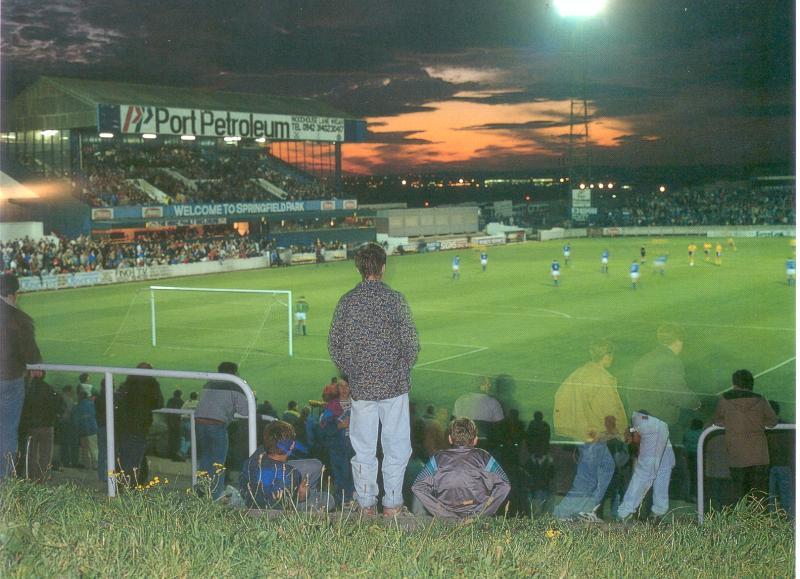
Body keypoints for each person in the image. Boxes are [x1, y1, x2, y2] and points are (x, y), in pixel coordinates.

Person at [328, 242, 420, 516]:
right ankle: (392, 504)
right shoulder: (395, 299)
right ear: (383, 267)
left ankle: (367, 505)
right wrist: (401, 369)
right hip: (393, 386)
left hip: (363, 388)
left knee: (364, 449)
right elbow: (411, 343)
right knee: (396, 447)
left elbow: (335, 344)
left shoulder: (347, 301)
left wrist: (352, 372)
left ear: (358, 267)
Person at [552, 339, 627, 521]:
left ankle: (586, 510)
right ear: (607, 356)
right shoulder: (601, 378)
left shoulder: (579, 373)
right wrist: (623, 432)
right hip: (596, 435)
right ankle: (561, 514)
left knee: (606, 468)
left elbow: (560, 397)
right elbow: (610, 411)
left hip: (584, 432)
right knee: (587, 479)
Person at [412, 417, 510, 518]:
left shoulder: (437, 459)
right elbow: (504, 485)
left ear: (450, 439)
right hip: (477, 520)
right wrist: (483, 512)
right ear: (475, 439)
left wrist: (442, 512)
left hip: (446, 521)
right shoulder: (485, 457)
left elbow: (418, 487)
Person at [0, 272, 43, 480]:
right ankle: (5, 483)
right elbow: (32, 356)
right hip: (9, 380)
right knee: (7, 430)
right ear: (14, 293)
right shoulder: (19, 318)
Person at [712, 369, 778, 503]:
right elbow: (773, 421)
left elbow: (717, 420)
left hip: (737, 455)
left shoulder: (725, 399)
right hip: (759, 456)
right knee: (759, 497)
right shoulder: (760, 399)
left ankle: (741, 522)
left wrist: (731, 422)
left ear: (734, 383)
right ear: (750, 383)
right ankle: (758, 523)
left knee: (739, 495)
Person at [628, 324, 700, 443]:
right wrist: (695, 403)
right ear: (677, 342)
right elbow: (676, 392)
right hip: (658, 420)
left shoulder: (645, 358)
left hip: (639, 418)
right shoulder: (671, 361)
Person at [239, 420, 333, 511]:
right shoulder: (292, 474)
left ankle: (306, 491)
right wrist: (301, 496)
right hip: (276, 507)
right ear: (291, 446)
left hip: (256, 494)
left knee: (316, 465)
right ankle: (307, 497)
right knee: (328, 499)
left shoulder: (256, 456)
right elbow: (281, 506)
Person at [195, 361, 249, 500]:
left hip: (200, 424)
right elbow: (245, 410)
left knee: (206, 459)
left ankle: (202, 493)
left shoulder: (209, 382)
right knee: (218, 463)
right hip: (216, 424)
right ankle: (215, 497)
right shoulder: (235, 384)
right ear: (235, 372)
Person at [616, 410, 675, 522]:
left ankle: (625, 513)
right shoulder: (654, 425)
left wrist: (633, 432)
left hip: (645, 422)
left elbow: (636, 437)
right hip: (657, 425)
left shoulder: (639, 424)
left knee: (644, 473)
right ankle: (657, 514)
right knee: (662, 471)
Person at [116, 363, 164, 483]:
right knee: (135, 458)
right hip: (140, 427)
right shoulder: (151, 386)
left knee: (124, 456)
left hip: (125, 426)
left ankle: (122, 484)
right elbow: (159, 403)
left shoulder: (127, 384)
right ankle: (132, 484)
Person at [20, 372, 63, 480]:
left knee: (32, 453)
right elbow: (59, 405)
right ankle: (43, 477)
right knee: (45, 454)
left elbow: (24, 408)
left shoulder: (28, 389)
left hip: (32, 426)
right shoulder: (49, 388)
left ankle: (31, 476)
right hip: (47, 425)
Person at [453, 378, 504, 447]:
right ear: (480, 385)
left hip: (462, 440)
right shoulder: (493, 402)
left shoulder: (461, 399)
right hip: (485, 442)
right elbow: (499, 425)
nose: (490, 386)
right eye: (487, 384)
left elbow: (454, 421)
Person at [766, 401, 794, 517]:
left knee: (770, 495)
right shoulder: (788, 426)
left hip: (771, 465)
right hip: (784, 464)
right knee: (786, 495)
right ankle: (789, 518)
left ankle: (772, 519)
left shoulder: (765, 426)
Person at [72, 388, 98, 470]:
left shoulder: (76, 407)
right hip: (93, 429)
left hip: (82, 431)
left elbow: (75, 420)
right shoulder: (91, 404)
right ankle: (96, 465)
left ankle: (88, 466)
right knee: (94, 449)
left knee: (85, 450)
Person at [682, 418, 704, 501]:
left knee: (691, 476)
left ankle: (689, 495)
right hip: (699, 456)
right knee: (697, 476)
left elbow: (684, 443)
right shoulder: (702, 433)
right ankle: (696, 495)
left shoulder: (687, 432)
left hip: (688, 456)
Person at [166, 389, 185, 461]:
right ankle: (175, 454)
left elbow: (167, 410)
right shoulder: (181, 402)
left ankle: (169, 453)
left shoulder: (170, 400)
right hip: (177, 422)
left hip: (170, 422)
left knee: (170, 438)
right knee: (177, 439)